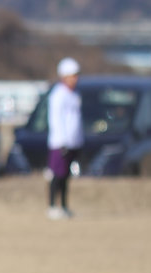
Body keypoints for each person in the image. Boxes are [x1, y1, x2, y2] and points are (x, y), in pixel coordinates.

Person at [47, 56, 84, 220]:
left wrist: (78, 140)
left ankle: (64, 206)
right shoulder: (58, 95)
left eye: (76, 76)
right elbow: (55, 120)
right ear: (64, 76)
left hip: (73, 142)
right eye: (72, 76)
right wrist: (62, 141)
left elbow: (77, 120)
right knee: (57, 175)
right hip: (60, 143)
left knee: (67, 176)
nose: (75, 79)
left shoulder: (75, 94)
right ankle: (52, 206)